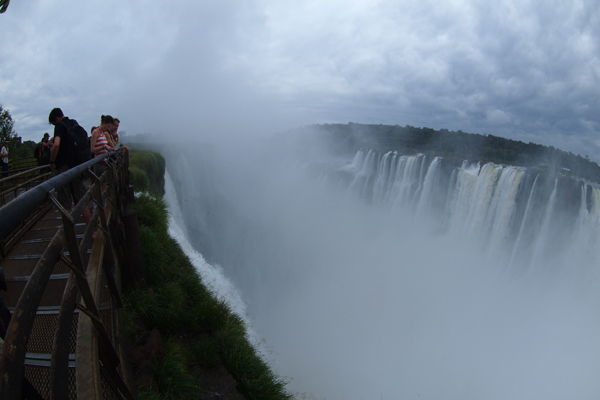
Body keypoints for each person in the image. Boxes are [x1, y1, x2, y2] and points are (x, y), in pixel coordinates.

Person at [48, 108, 91, 225]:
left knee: (65, 203)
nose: (54, 125)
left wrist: (52, 162)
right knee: (81, 201)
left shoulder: (59, 126)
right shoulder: (74, 123)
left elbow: (56, 144)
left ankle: (69, 236)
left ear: (56, 119)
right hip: (77, 167)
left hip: (65, 169)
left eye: (53, 123)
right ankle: (91, 230)